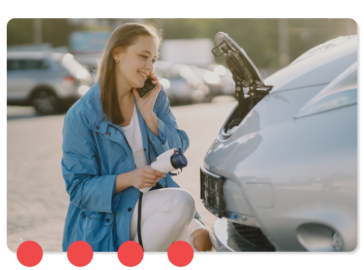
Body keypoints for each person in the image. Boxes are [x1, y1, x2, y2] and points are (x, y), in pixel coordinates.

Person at [61, 22, 213, 252]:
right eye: (143, 56)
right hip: (110, 212)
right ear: (117, 54)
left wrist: (149, 115)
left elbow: (180, 146)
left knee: (202, 241)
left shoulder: (154, 97)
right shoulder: (82, 115)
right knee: (181, 202)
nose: (149, 67)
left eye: (153, 59)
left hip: (155, 199)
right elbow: (79, 189)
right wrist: (130, 178)